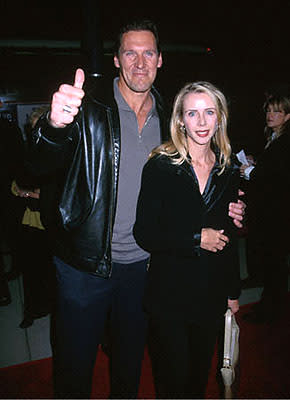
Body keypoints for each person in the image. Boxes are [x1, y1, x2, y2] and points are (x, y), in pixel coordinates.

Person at [27, 20, 245, 399]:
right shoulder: (88, 107)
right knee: (74, 369)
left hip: (144, 267)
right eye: (131, 53)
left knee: (128, 368)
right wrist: (54, 125)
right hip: (85, 265)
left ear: (160, 60)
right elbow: (38, 165)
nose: (140, 63)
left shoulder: (171, 118)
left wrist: (228, 209)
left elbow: (191, 184)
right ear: (116, 60)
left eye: (148, 53)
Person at [133, 81, 241, 398]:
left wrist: (233, 292)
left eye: (209, 112)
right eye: (193, 113)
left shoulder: (228, 169)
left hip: (210, 295)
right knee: (172, 381)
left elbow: (229, 238)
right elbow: (145, 233)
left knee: (197, 380)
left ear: (220, 117)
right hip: (169, 296)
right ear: (180, 119)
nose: (203, 122)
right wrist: (196, 239)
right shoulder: (161, 166)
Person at [240, 94, 290, 323]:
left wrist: (251, 172)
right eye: (269, 110)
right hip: (270, 210)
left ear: (287, 115)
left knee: (275, 261)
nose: (270, 115)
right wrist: (256, 162)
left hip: (278, 212)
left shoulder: (285, 140)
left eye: (277, 111)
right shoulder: (274, 136)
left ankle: (271, 307)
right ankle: (270, 299)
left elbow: (278, 175)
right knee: (270, 257)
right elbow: (273, 166)